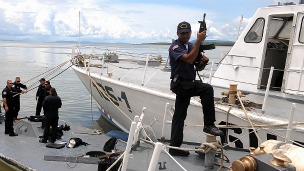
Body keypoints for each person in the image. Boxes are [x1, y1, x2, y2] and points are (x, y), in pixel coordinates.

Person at [168, 21, 223, 156]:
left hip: (188, 84)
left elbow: (197, 66)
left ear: (190, 33)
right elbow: (188, 59)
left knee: (179, 117)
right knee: (207, 89)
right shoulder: (175, 47)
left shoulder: (191, 46)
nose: (185, 35)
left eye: (187, 33)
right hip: (180, 85)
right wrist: (199, 41)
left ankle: (174, 148)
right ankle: (209, 125)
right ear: (178, 34)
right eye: (182, 33)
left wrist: (203, 62)